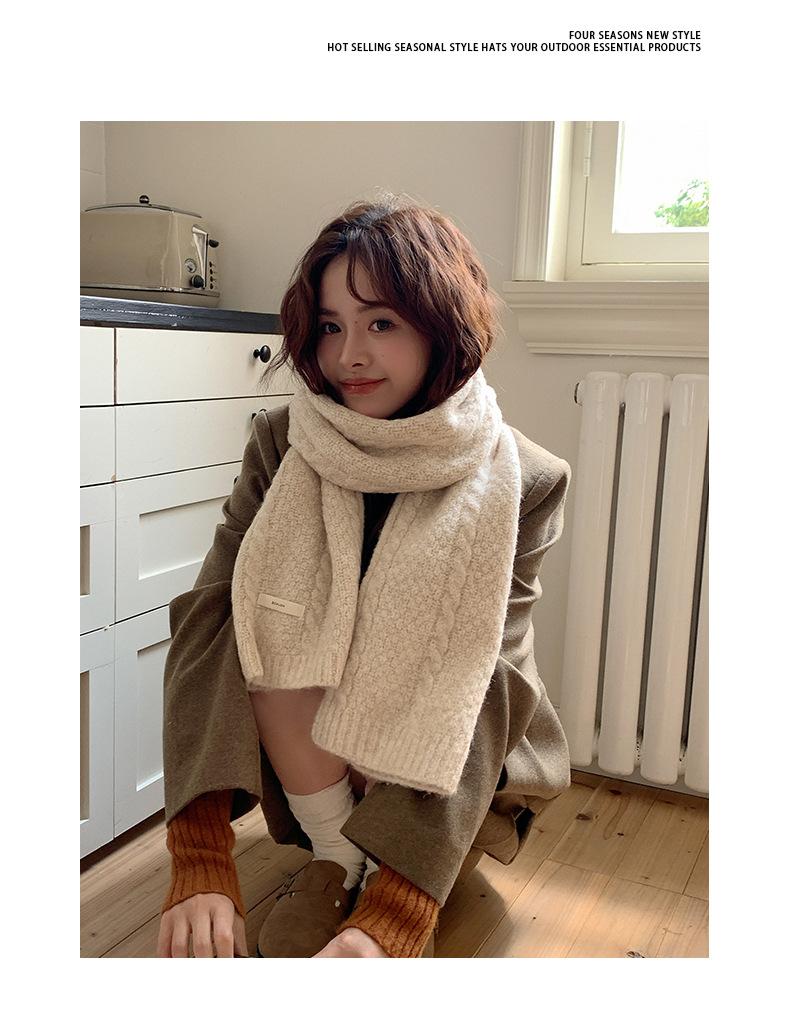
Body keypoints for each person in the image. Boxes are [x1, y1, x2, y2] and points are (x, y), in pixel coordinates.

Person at [156, 192, 573, 959]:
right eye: (329, 326)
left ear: (442, 325)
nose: (349, 354)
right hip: (312, 752)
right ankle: (336, 854)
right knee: (258, 612)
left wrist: (398, 913)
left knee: (462, 660)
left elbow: (485, 677)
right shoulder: (282, 441)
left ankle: (390, 873)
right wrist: (200, 853)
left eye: (381, 323)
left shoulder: (528, 475)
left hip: (458, 769)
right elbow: (211, 619)